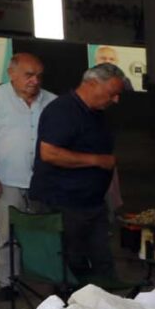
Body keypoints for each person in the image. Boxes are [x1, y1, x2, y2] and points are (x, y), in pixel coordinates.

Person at [29, 63, 127, 285]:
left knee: (103, 263)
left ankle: (106, 308)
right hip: (63, 203)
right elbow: (50, 153)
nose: (115, 100)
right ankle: (72, 308)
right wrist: (96, 160)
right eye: (112, 94)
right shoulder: (62, 110)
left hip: (91, 203)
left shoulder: (97, 113)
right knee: (72, 266)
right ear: (92, 84)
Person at [0, 54, 53, 296]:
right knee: (9, 234)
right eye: (29, 75)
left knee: (43, 232)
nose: (35, 81)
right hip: (7, 178)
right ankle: (9, 283)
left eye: (39, 76)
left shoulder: (52, 101)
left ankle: (44, 279)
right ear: (12, 73)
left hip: (43, 181)